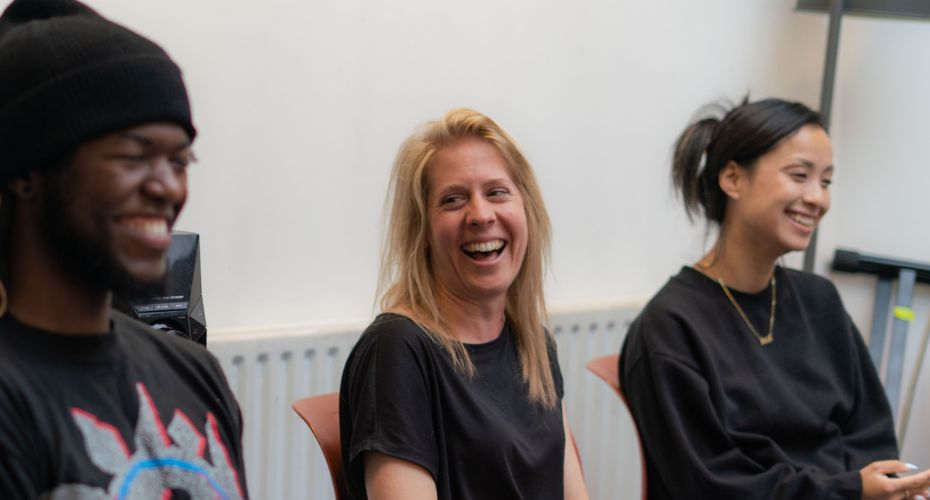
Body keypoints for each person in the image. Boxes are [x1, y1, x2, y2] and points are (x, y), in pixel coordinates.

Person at [619, 97, 930, 500]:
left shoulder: (821, 301)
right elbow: (708, 485)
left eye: (826, 181)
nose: (818, 198)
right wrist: (849, 491)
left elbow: (870, 434)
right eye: (799, 175)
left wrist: (882, 488)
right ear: (732, 179)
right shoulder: (670, 328)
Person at [0, 1, 247, 498]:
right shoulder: (12, 398)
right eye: (134, 157)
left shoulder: (195, 373)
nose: (167, 188)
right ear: (27, 174)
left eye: (179, 161)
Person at [339, 108, 588, 499]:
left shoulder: (533, 341)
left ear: (527, 209)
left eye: (497, 192)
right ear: (421, 230)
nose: (481, 215)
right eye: (453, 200)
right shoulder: (397, 350)